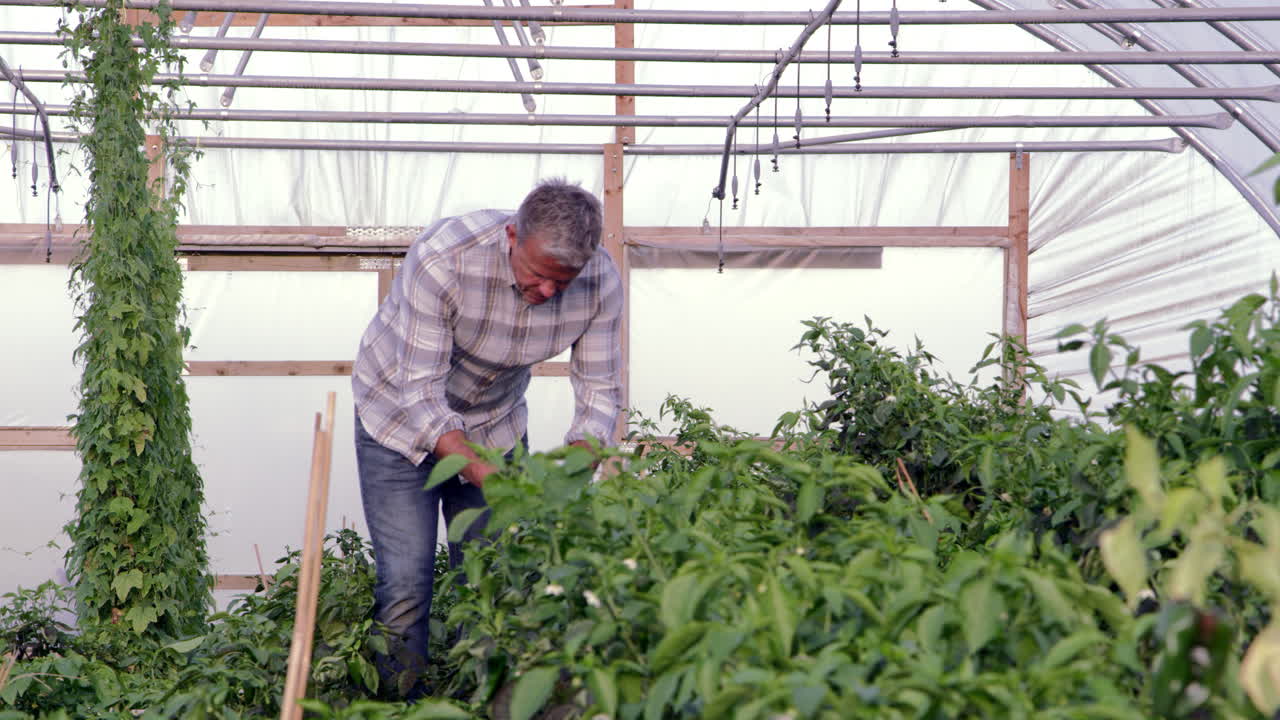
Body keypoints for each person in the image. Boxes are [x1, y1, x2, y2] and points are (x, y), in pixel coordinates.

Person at [351, 178, 623, 697]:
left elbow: (601, 393)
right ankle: (397, 707)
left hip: (494, 423)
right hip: (397, 419)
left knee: (493, 582)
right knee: (407, 585)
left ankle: (477, 703)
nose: (548, 292)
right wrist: (491, 479)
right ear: (512, 235)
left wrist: (570, 470)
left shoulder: (601, 281)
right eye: (539, 275)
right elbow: (421, 396)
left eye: (563, 283)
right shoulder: (446, 258)